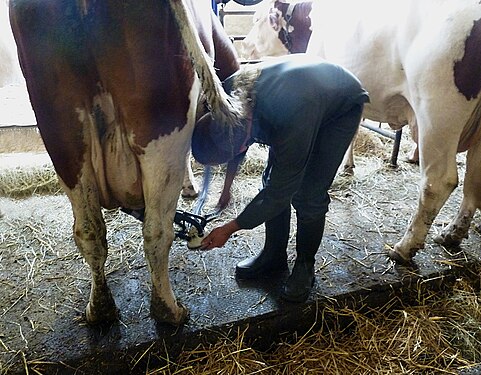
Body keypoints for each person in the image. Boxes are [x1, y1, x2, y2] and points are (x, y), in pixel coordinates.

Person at [191, 54, 369, 303]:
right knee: (270, 179)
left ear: (242, 143)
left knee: (308, 194)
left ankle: (305, 266)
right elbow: (235, 148)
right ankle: (273, 255)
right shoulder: (225, 100)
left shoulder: (289, 117)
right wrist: (226, 189)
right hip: (295, 95)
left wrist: (230, 228)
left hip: (339, 105)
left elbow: (278, 193)